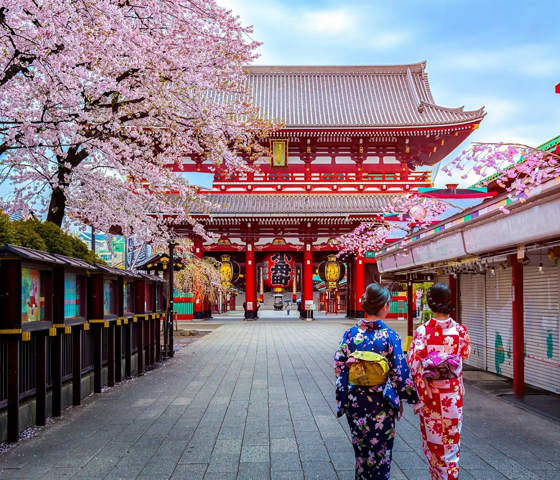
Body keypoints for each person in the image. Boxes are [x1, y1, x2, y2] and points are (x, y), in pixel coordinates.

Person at [334, 283, 418, 480]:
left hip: (356, 400)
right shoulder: (390, 336)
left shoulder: (351, 334)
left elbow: (339, 364)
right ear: (385, 306)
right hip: (381, 402)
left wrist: (351, 370)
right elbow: (400, 372)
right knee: (381, 453)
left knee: (362, 452)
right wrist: (411, 398)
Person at [407, 283, 471, 480]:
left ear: (430, 302)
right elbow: (465, 355)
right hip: (452, 397)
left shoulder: (423, 332)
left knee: (434, 446)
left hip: (431, 396)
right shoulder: (460, 331)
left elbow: (413, 363)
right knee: (451, 445)